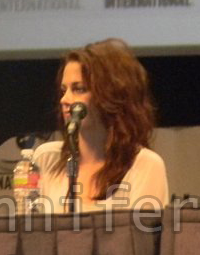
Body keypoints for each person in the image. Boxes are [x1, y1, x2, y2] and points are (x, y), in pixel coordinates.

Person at [33, 38, 169, 213]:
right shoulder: (46, 158)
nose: (64, 99)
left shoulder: (145, 164)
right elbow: (28, 228)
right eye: (63, 90)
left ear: (110, 95)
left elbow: (142, 230)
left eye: (79, 89)